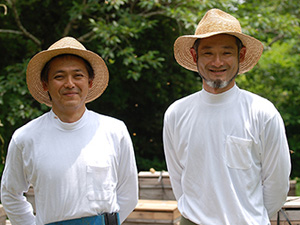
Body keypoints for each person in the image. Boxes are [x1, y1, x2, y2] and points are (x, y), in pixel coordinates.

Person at [163, 8, 291, 225]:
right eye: (208, 53)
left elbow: (277, 184)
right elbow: (178, 179)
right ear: (195, 57)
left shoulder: (262, 112)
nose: (217, 62)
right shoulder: (177, 113)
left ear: (240, 56)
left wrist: (247, 216)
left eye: (227, 52)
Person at [1, 37, 138, 225]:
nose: (69, 84)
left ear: (89, 82)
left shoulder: (114, 130)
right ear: (45, 84)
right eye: (59, 76)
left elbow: (129, 193)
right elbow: (10, 193)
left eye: (78, 75)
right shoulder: (25, 138)